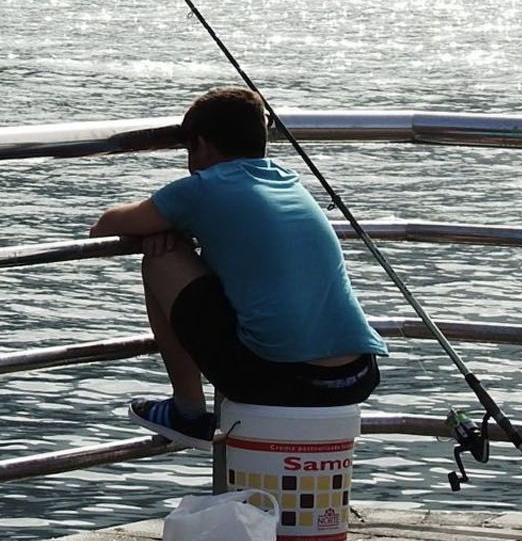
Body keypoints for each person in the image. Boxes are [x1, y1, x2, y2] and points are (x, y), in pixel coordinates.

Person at [89, 86, 386, 448]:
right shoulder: (287, 180)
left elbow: (104, 227)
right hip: (356, 376)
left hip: (285, 380)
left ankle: (187, 411)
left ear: (202, 144)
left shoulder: (202, 188)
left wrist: (167, 230)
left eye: (188, 150)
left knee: (161, 259)